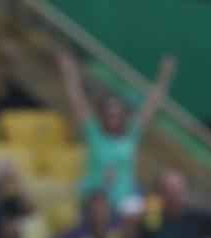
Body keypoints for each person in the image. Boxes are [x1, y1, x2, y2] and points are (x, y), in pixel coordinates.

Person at [58, 50, 177, 211]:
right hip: (95, 198)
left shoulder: (132, 134)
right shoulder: (94, 133)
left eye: (117, 113)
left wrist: (165, 74)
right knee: (99, 206)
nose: (113, 117)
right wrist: (69, 72)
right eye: (109, 113)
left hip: (124, 200)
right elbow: (77, 99)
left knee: (144, 211)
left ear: (124, 116)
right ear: (102, 115)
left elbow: (153, 103)